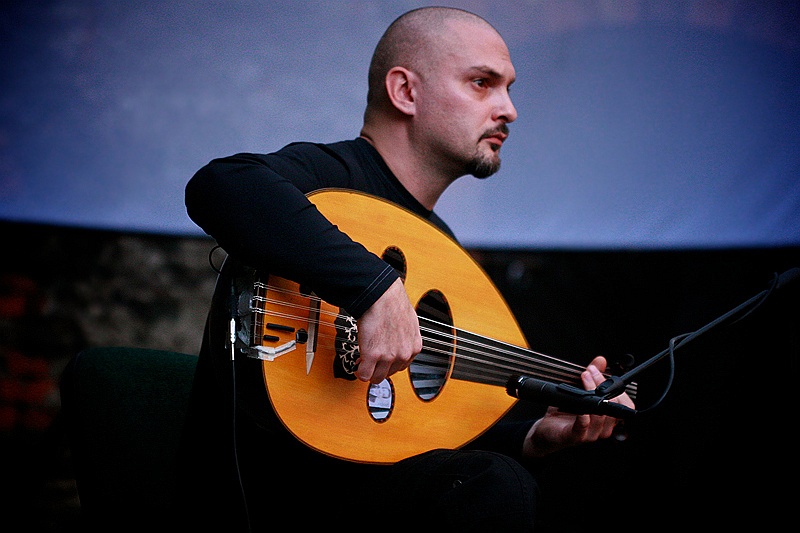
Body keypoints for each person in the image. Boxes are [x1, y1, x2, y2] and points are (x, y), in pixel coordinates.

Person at [175, 6, 635, 532]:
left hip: (361, 499)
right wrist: (374, 289)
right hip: (266, 509)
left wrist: (534, 436)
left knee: (505, 483)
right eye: (482, 83)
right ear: (405, 92)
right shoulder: (331, 178)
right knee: (493, 488)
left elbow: (422, 427)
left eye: (508, 88)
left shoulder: (442, 249)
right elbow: (220, 184)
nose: (508, 109)